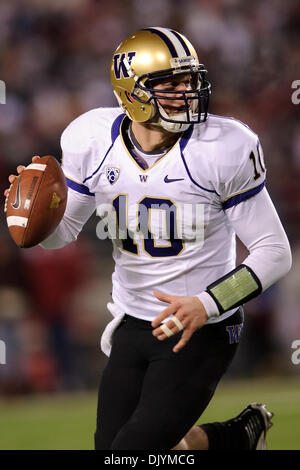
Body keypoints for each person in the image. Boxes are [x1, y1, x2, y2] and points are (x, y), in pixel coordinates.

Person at [5, 27, 292, 450]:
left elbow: (275, 253)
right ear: (132, 91)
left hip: (202, 327)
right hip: (131, 321)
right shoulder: (92, 139)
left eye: (190, 81)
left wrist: (207, 303)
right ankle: (234, 438)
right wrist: (30, 217)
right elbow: (63, 234)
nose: (186, 92)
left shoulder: (222, 147)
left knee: (131, 453)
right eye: (170, 84)